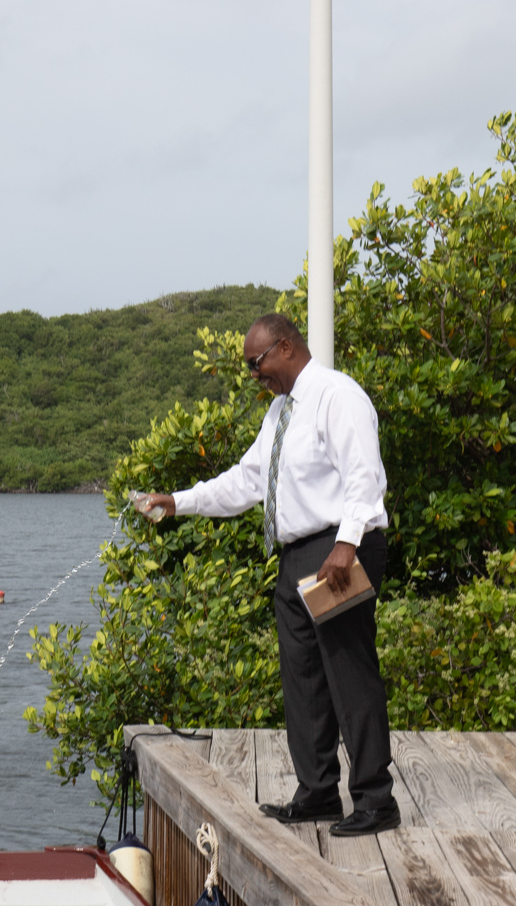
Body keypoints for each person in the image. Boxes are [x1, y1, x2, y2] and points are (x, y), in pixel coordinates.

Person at [142, 314, 401, 837]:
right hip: (297, 555)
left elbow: (364, 476)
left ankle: (376, 800)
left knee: (350, 674)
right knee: (303, 678)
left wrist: (346, 545)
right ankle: (318, 792)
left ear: (285, 347)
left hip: (339, 548)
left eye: (257, 365)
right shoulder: (282, 412)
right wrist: (179, 503)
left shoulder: (336, 395)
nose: (255, 377)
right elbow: (247, 480)